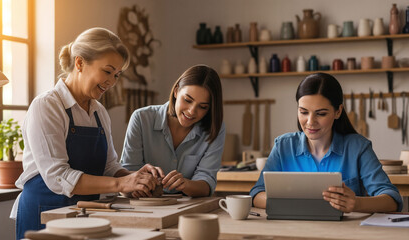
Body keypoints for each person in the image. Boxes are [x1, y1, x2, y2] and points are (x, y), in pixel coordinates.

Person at [11, 27, 162, 239]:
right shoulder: (47, 106)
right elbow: (58, 176)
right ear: (80, 63)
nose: (112, 82)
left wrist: (135, 179)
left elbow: (109, 167)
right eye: (107, 71)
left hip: (86, 214)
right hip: (44, 214)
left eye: (117, 75)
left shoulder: (99, 112)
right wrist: (121, 183)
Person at [250, 72, 402, 213]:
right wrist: (291, 204)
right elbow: (256, 194)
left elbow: (392, 200)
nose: (310, 122)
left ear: (338, 111)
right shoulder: (283, 146)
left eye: (321, 114)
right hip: (293, 229)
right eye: (303, 112)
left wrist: (356, 203)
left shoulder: (358, 147)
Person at [120, 64, 226, 197]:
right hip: (144, 206)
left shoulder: (214, 128)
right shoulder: (141, 118)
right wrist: (136, 187)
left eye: (203, 107)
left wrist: (185, 184)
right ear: (176, 92)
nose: (191, 111)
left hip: (187, 208)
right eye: (187, 100)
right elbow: (126, 180)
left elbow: (207, 184)